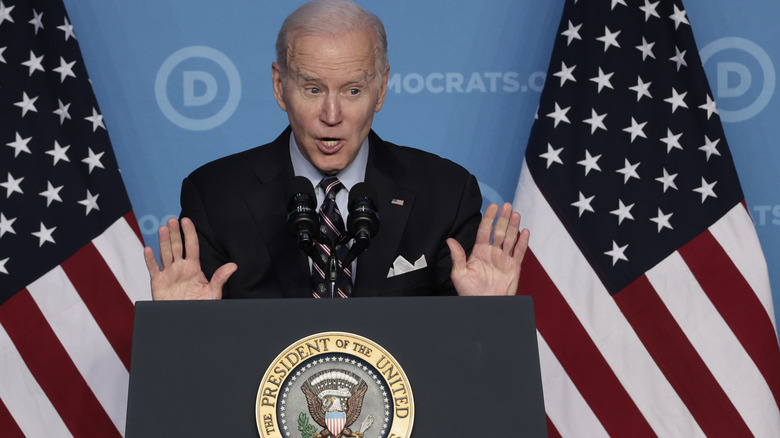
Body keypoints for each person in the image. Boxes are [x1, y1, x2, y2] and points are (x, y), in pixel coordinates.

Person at [143, 0, 530, 300]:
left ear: (381, 88)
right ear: (280, 86)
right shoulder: (215, 194)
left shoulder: (446, 192)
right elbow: (201, 369)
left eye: (353, 90)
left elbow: (469, 361)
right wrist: (183, 324)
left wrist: (488, 310)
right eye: (313, 89)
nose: (332, 115)